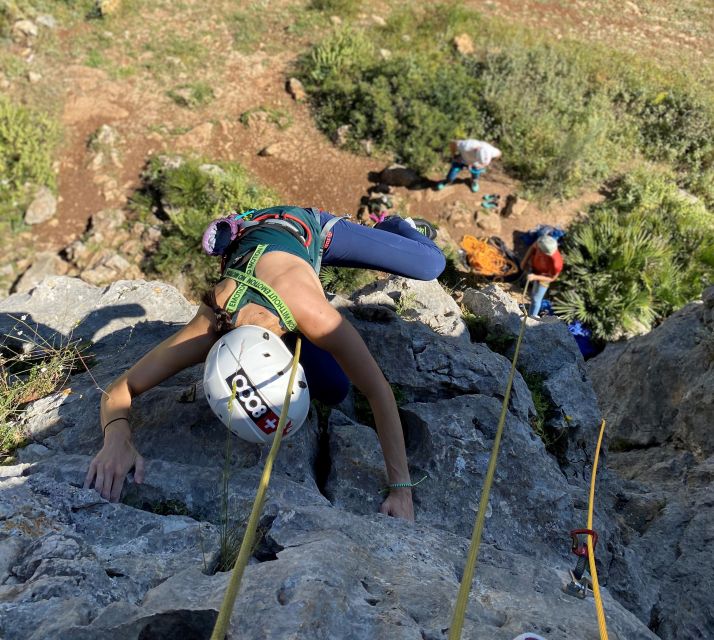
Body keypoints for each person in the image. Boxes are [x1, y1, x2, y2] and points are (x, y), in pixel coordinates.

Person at [84, 206, 446, 521]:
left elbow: (378, 390)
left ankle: (394, 227)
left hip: (306, 231)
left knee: (431, 263)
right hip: (265, 272)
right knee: (334, 388)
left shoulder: (315, 315)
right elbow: (121, 390)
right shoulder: (210, 329)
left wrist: (401, 489)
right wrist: (116, 438)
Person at [519, 235, 563, 318]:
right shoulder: (541, 242)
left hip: (544, 277)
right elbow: (532, 247)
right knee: (533, 295)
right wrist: (524, 261)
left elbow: (552, 278)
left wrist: (535, 277)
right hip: (535, 268)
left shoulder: (556, 263)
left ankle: (532, 317)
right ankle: (530, 309)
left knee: (536, 299)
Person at [436, 139, 502, 192]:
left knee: (476, 174)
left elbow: (499, 154)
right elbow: (453, 143)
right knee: (451, 176)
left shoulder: (492, 150)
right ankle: (447, 181)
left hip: (475, 164)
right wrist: (454, 156)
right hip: (462, 160)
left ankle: (473, 181)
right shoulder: (467, 146)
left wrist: (482, 165)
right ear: (476, 151)